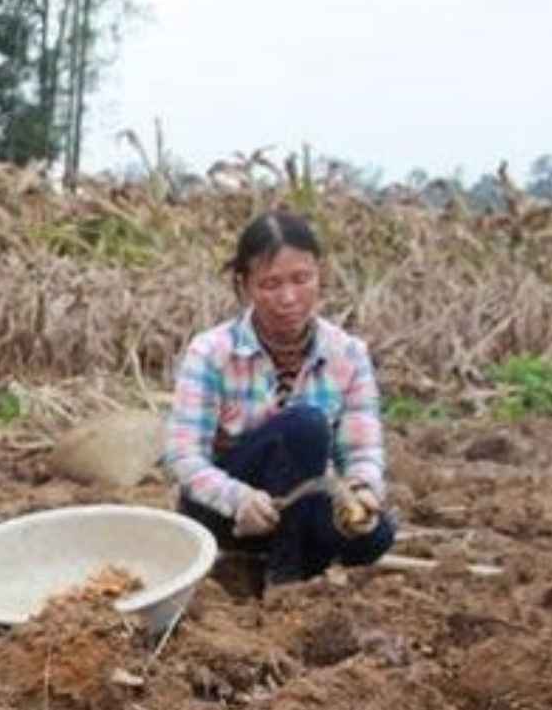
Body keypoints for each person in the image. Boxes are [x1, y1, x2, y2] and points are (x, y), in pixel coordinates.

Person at [164, 210, 396, 584]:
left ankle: (289, 562)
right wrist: (238, 497)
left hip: (300, 505)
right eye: (270, 284)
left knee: (375, 535)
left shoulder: (348, 354)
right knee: (304, 426)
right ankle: (287, 577)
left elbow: (361, 453)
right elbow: (184, 458)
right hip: (226, 515)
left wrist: (363, 489)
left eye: (301, 279)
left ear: (320, 275)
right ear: (244, 286)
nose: (288, 298)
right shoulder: (210, 352)